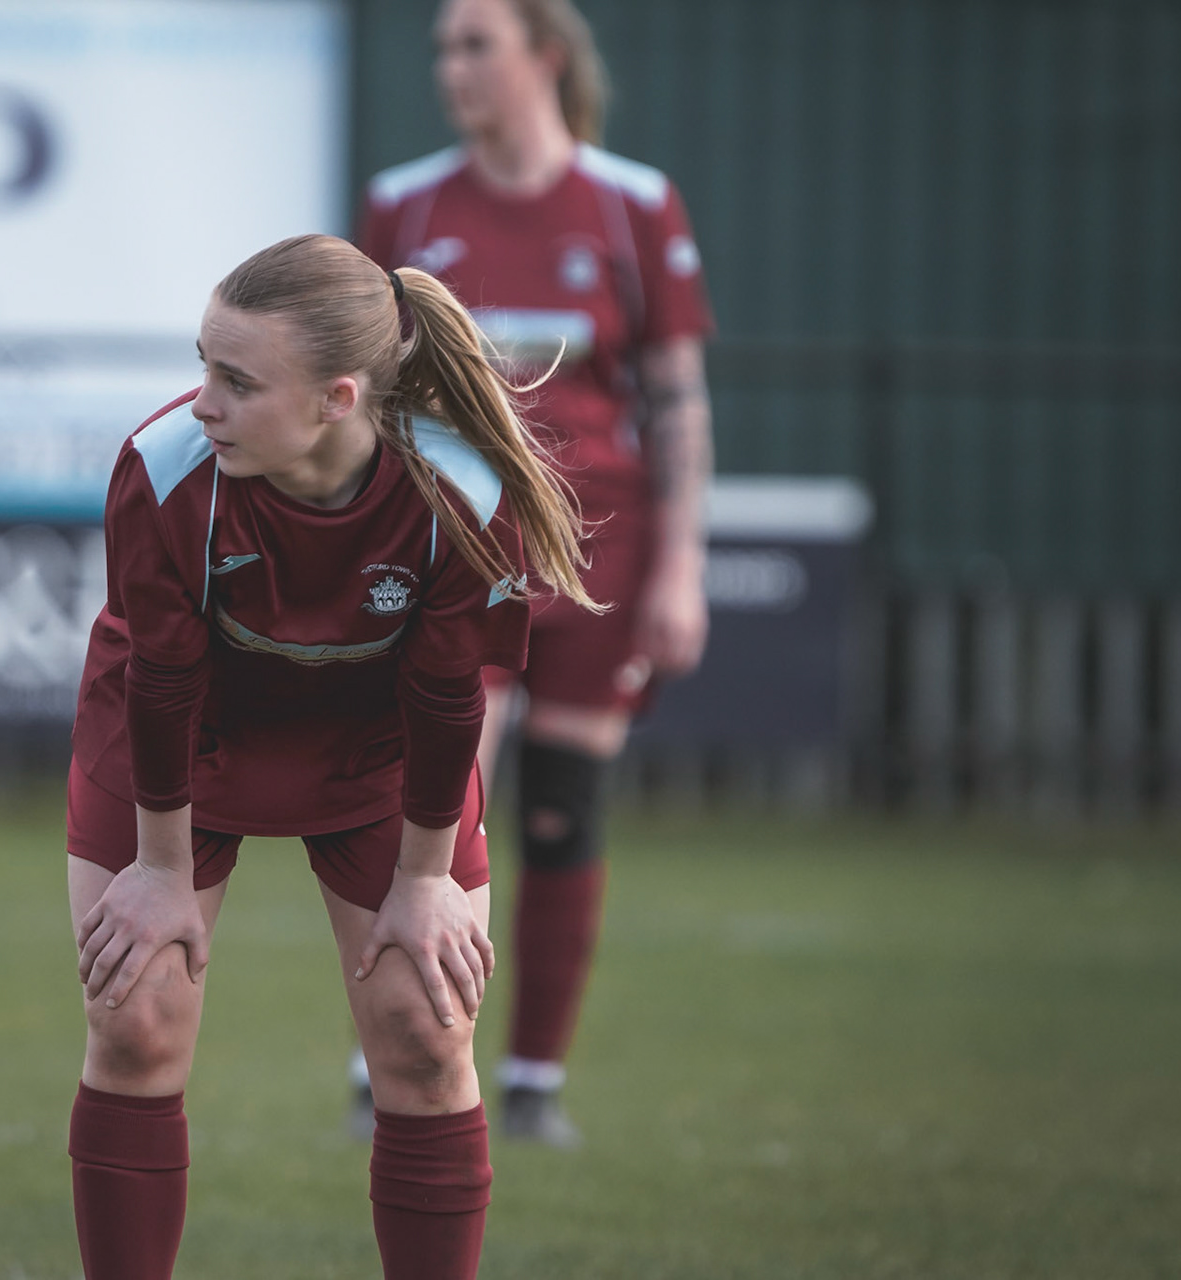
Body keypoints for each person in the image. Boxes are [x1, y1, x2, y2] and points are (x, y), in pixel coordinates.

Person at [64, 233, 598, 1280]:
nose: (201, 403)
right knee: (137, 1019)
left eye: (237, 381)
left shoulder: (459, 488)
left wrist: (426, 880)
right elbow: (161, 678)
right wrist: (161, 872)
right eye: (203, 365)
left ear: (337, 399)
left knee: (424, 1031)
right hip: (186, 737)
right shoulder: (163, 468)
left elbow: (447, 694)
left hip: (372, 744)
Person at [356, 0, 715, 1147]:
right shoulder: (406, 204)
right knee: (440, 800)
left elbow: (677, 397)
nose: (452, 68)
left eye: (477, 45)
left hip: (603, 551)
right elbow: (364, 395)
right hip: (459, 550)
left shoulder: (632, 203)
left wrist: (682, 567)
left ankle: (531, 1080)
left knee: (562, 809)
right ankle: (398, 1056)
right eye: (443, 49)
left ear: (546, 57)